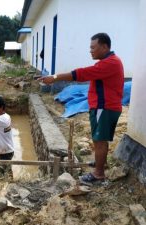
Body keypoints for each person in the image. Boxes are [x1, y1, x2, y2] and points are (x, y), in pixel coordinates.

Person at [39, 33, 124, 184]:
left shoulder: (110, 63)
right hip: (105, 107)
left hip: (104, 107)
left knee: (99, 140)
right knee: (101, 139)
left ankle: (98, 174)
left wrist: (55, 77)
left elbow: (82, 74)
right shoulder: (109, 62)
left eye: (93, 47)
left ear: (104, 47)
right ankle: (100, 164)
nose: (90, 51)